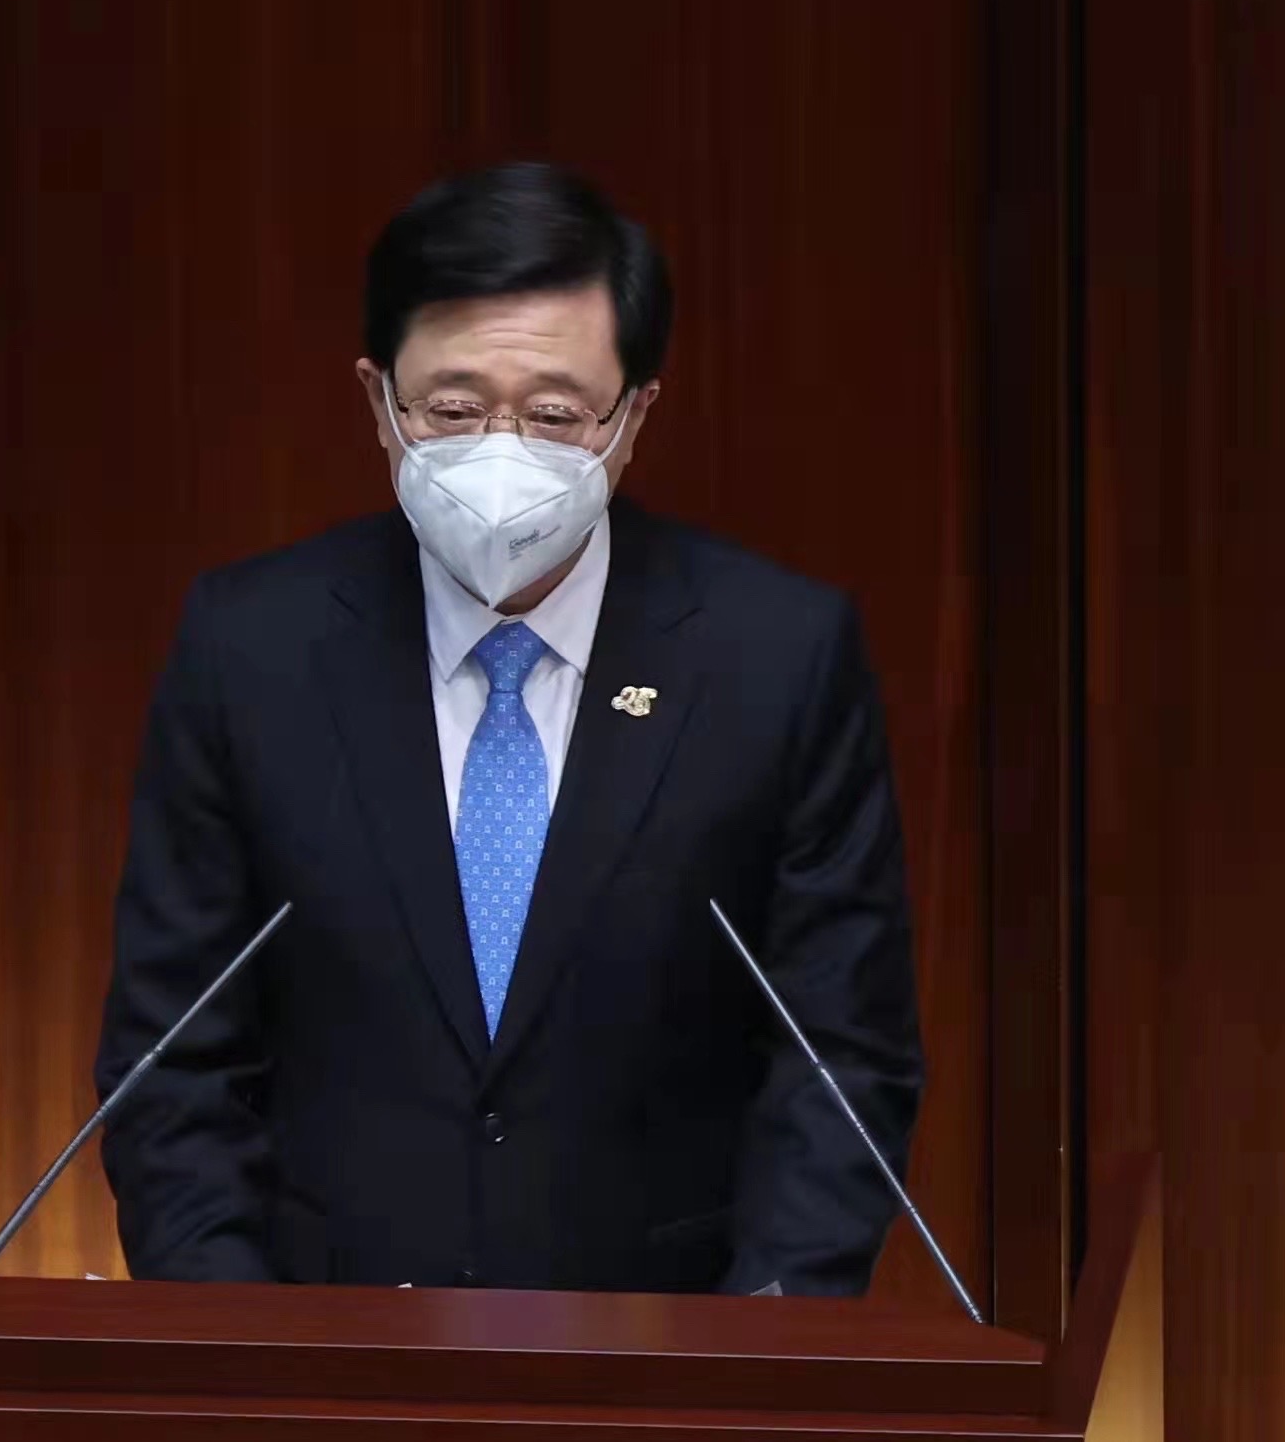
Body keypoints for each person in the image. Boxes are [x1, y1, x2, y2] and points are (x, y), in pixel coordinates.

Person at [94, 162, 922, 1296]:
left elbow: (841, 1058)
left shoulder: (775, 659)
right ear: (377, 403)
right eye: (451, 409)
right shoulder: (251, 650)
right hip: (320, 1348)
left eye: (553, 416)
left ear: (633, 418)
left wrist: (759, 1354)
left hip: (671, 1347)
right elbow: (173, 1058)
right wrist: (244, 1351)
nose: (499, 451)